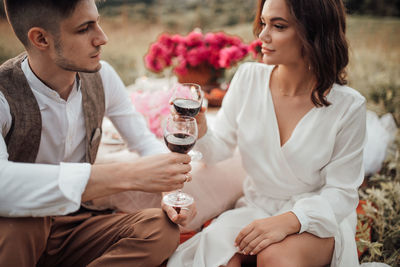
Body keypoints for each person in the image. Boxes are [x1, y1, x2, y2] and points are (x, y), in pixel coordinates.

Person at [167, 0, 366, 266]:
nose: (262, 35)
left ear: (314, 31)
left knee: (274, 257)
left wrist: (289, 221)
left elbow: (342, 193)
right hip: (256, 208)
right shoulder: (248, 78)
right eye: (263, 23)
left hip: (315, 215)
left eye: (278, 26)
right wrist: (202, 129)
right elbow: (219, 151)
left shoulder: (349, 106)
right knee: (219, 260)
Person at [0, 0, 196, 266]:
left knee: (160, 228)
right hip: (15, 230)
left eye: (98, 23)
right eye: (84, 29)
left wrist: (169, 191)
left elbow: (143, 141)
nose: (102, 38)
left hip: (74, 225)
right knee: (23, 224)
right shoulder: (3, 94)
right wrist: (128, 175)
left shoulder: (102, 77)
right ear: (41, 38)